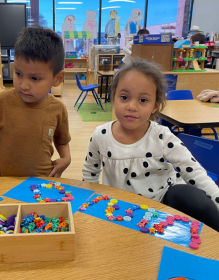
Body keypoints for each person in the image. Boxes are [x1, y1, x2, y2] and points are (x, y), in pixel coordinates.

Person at [82, 60, 219, 231]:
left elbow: (193, 170)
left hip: (162, 201)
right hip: (120, 207)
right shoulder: (100, 135)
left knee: (192, 196)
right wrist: (92, 206)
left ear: (155, 105)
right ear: (113, 97)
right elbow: (90, 173)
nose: (132, 106)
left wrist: (216, 199)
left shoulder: (161, 136)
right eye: (124, 97)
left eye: (143, 100)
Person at [0, 27, 71, 181]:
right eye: (18, 74)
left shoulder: (58, 109)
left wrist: (66, 158)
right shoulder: (1, 101)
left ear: (58, 79)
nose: (24, 85)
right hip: (2, 182)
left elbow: (62, 139)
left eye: (35, 78)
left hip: (41, 184)